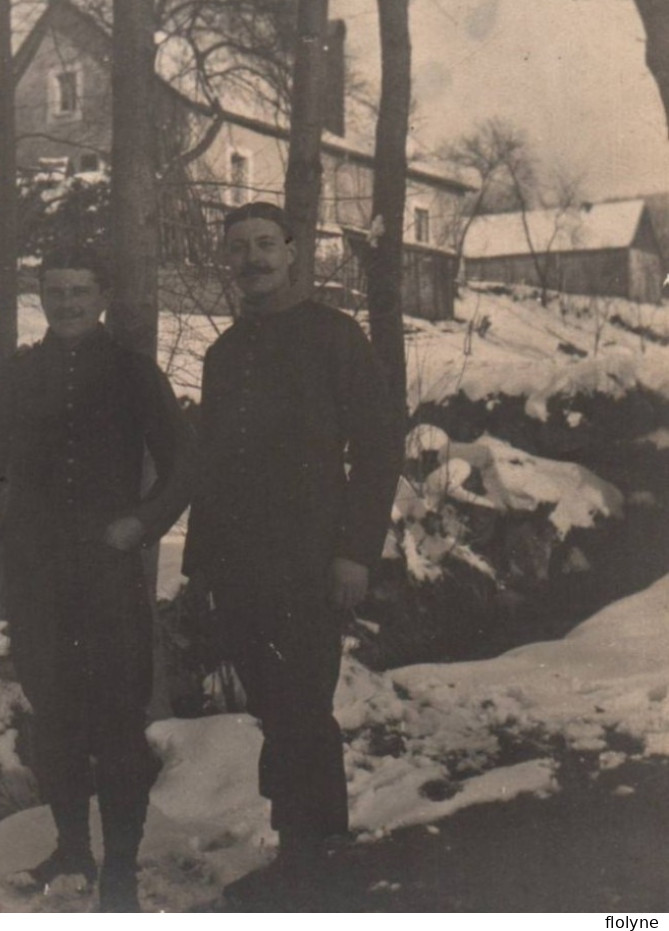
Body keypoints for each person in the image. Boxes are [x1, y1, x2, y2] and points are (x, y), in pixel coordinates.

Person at [0, 246, 192, 913]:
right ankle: (73, 849)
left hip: (108, 578)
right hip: (35, 577)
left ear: (102, 294)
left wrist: (141, 523)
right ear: (41, 295)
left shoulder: (134, 374)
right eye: (55, 291)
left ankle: (120, 870)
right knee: (53, 718)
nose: (68, 302)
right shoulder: (19, 376)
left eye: (80, 290)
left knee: (115, 721)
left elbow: (183, 468)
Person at [183, 201, 401, 898]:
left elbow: (376, 449)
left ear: (293, 250)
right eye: (238, 247)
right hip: (239, 562)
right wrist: (199, 569)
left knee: (303, 703)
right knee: (275, 706)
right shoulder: (223, 355)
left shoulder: (334, 337)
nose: (252, 258)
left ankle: (323, 853)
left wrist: (355, 552)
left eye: (264, 244)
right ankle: (295, 844)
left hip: (311, 556)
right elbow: (210, 467)